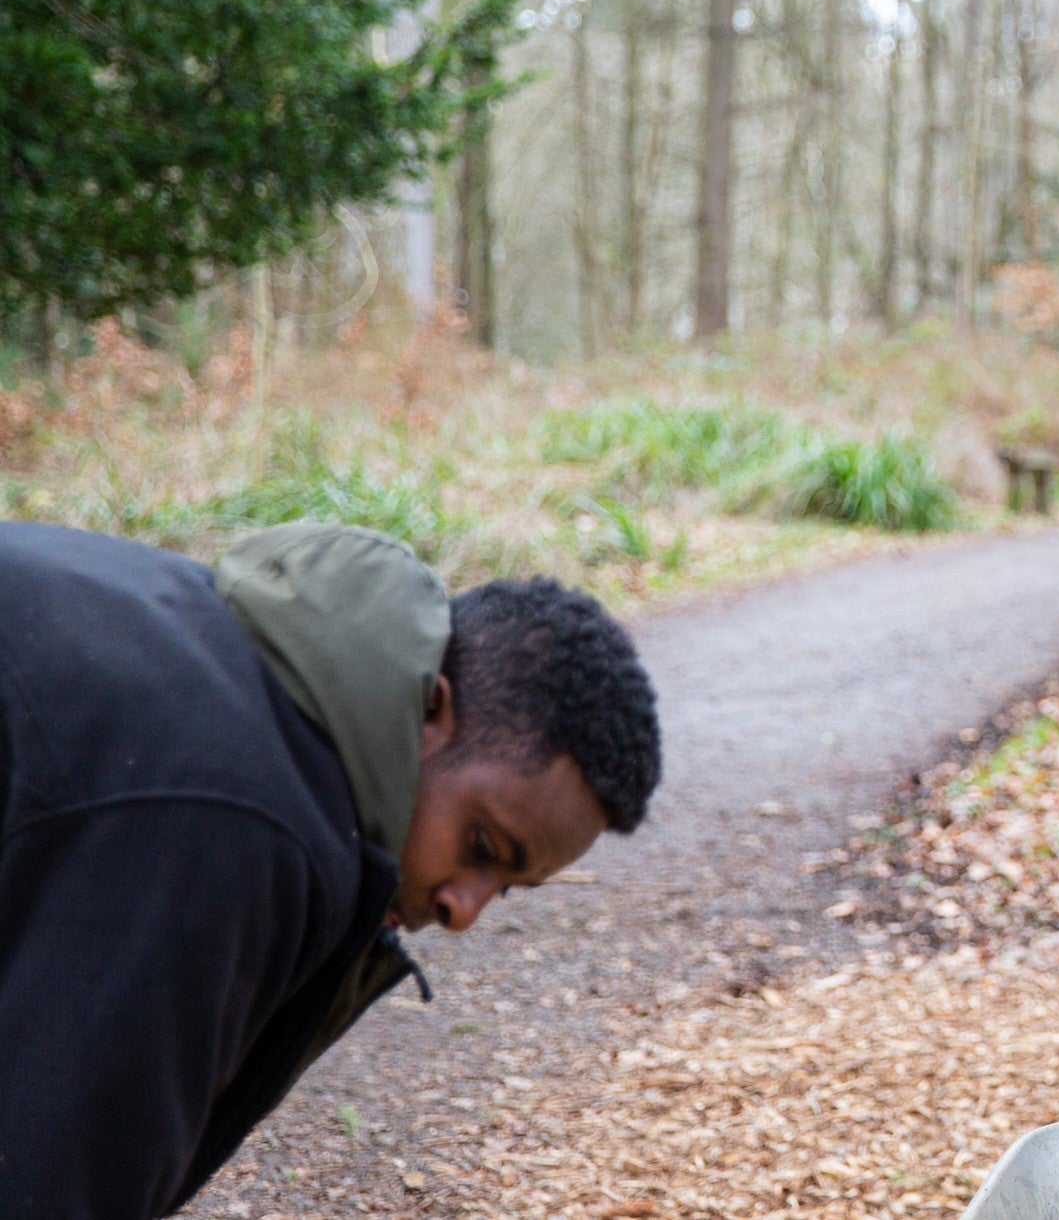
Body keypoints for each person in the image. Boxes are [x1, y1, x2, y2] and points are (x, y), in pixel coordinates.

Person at [0, 520, 662, 1216]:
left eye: (505, 891)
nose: (462, 911)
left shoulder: (230, 675)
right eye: (483, 848)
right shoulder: (236, 827)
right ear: (431, 711)